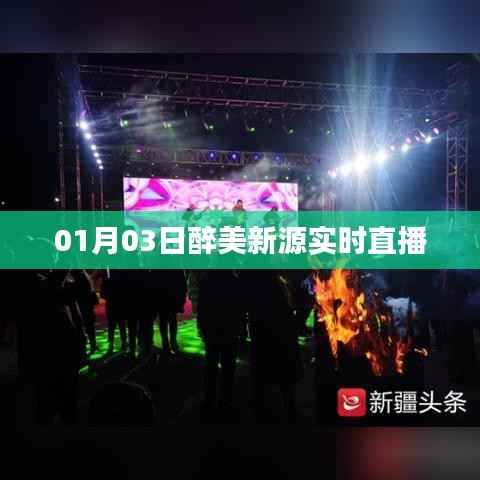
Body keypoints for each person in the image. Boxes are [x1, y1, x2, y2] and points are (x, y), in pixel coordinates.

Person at [245, 270, 303, 422]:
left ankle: (260, 407)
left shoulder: (258, 286)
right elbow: (287, 311)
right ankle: (288, 409)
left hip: (263, 335)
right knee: (283, 375)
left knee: (262, 374)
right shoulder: (278, 286)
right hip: (277, 336)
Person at [197, 269, 244, 413]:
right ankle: (225, 401)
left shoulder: (207, 279)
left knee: (211, 365)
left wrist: (202, 326)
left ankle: (209, 400)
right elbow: (240, 307)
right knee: (228, 367)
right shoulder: (234, 280)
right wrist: (241, 328)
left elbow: (202, 306)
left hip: (212, 329)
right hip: (230, 330)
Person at [155, 269, 187, 355]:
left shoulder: (159, 268)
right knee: (172, 320)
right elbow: (182, 283)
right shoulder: (176, 268)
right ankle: (172, 343)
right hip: (172, 298)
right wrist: (182, 298)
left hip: (163, 298)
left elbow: (154, 282)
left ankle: (166, 343)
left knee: (164, 321)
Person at [71, 269, 98, 353]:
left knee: (81, 327)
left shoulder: (73, 282)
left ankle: (84, 347)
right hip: (87, 306)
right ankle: (93, 345)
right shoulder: (85, 279)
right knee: (90, 326)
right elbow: (91, 292)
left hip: (80, 306)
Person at [101, 269, 128, 353]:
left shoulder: (107, 281)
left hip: (111, 306)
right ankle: (124, 343)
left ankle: (111, 344)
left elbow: (102, 295)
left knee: (111, 325)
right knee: (122, 325)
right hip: (120, 306)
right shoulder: (122, 281)